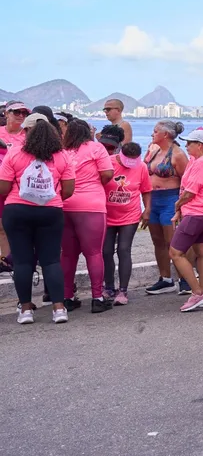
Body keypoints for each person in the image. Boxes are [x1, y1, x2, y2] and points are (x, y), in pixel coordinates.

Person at [0, 114, 75, 323]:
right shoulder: (61, 155)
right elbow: (68, 189)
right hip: (50, 211)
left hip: (17, 210)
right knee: (51, 261)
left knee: (22, 261)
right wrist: (50, 199)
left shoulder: (15, 153)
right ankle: (59, 309)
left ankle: (25, 310)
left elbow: (3, 187)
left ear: (26, 131)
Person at [60, 119, 114, 313]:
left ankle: (66, 297)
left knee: (67, 254)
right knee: (93, 253)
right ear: (87, 131)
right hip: (91, 205)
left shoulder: (62, 150)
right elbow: (107, 173)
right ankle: (97, 297)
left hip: (65, 204)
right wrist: (95, 182)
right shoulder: (95, 148)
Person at [169, 129, 203, 312]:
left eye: (189, 143)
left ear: (200, 145)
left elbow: (190, 192)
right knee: (202, 252)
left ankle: (198, 293)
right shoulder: (198, 161)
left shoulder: (202, 162)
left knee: (175, 253)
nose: (186, 145)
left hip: (196, 213)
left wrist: (177, 206)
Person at [101, 126, 150, 305]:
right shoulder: (108, 162)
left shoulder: (142, 167)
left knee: (123, 250)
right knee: (106, 251)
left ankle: (123, 290)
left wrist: (147, 210)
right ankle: (108, 287)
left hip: (129, 214)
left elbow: (146, 190)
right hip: (107, 213)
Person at [143, 120, 189, 295]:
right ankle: (165, 279)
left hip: (170, 198)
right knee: (158, 241)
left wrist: (181, 206)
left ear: (166, 135)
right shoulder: (154, 151)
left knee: (173, 242)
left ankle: (184, 278)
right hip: (154, 199)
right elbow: (143, 173)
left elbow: (186, 180)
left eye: (155, 132)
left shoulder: (177, 154)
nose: (152, 134)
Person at [0, 100, 30, 273]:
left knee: (20, 227)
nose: (20, 116)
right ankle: (6, 261)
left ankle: (19, 258)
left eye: (23, 113)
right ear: (6, 113)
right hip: (1, 184)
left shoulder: (26, 136)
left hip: (20, 187)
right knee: (1, 227)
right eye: (16, 112)